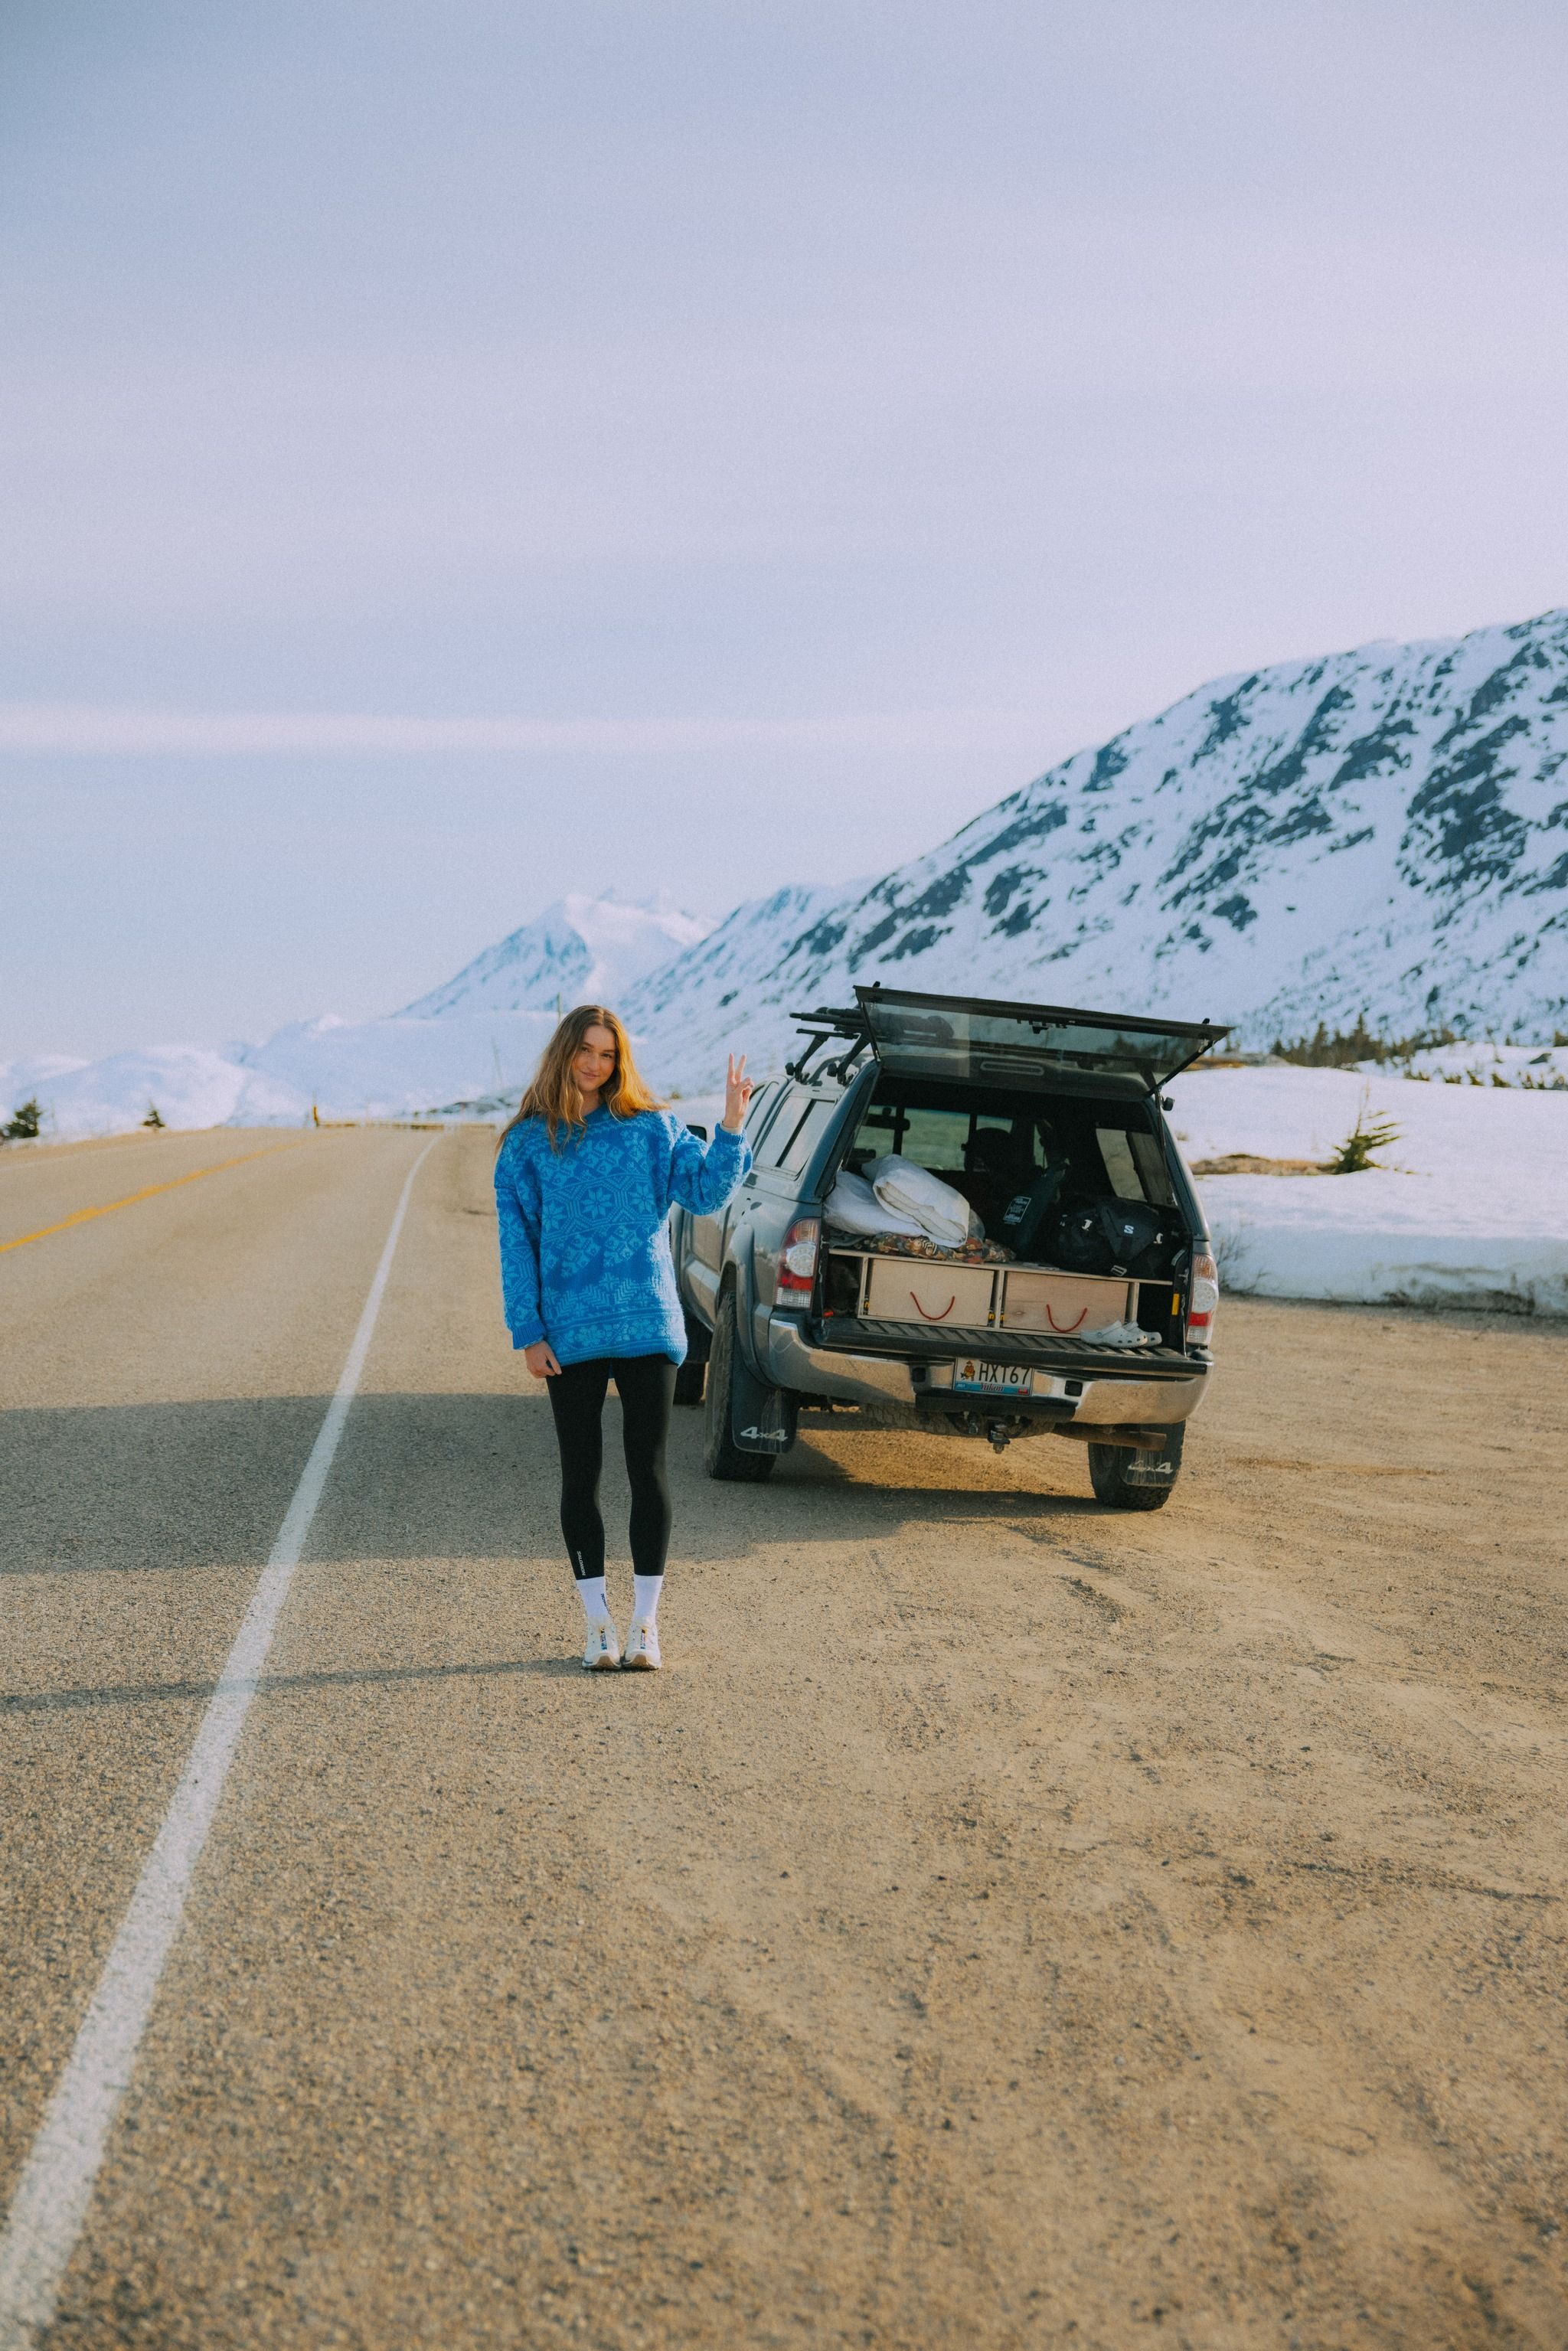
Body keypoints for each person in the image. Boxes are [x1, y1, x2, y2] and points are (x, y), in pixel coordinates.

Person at [494, 1005, 753, 1671]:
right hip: (569, 1335)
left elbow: (704, 1190)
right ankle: (596, 1624)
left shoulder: (650, 1129)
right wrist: (528, 1331)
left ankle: (645, 1624)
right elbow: (516, 1242)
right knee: (581, 1476)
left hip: (646, 1324)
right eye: (585, 1050)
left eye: (607, 1054)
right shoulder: (528, 1143)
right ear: (564, 1053)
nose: (595, 1064)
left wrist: (730, 1124)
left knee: (649, 1471)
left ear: (620, 1061)